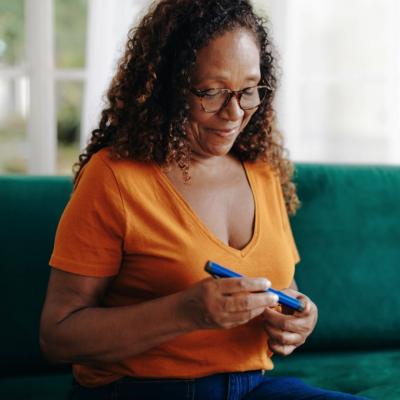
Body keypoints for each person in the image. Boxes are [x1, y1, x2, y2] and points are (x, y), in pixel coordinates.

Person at [40, 1, 368, 399]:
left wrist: (295, 317)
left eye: (249, 91)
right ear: (166, 86)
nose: (234, 113)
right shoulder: (114, 177)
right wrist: (185, 313)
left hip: (252, 388)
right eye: (210, 92)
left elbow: (282, 288)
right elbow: (58, 336)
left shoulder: (261, 170)